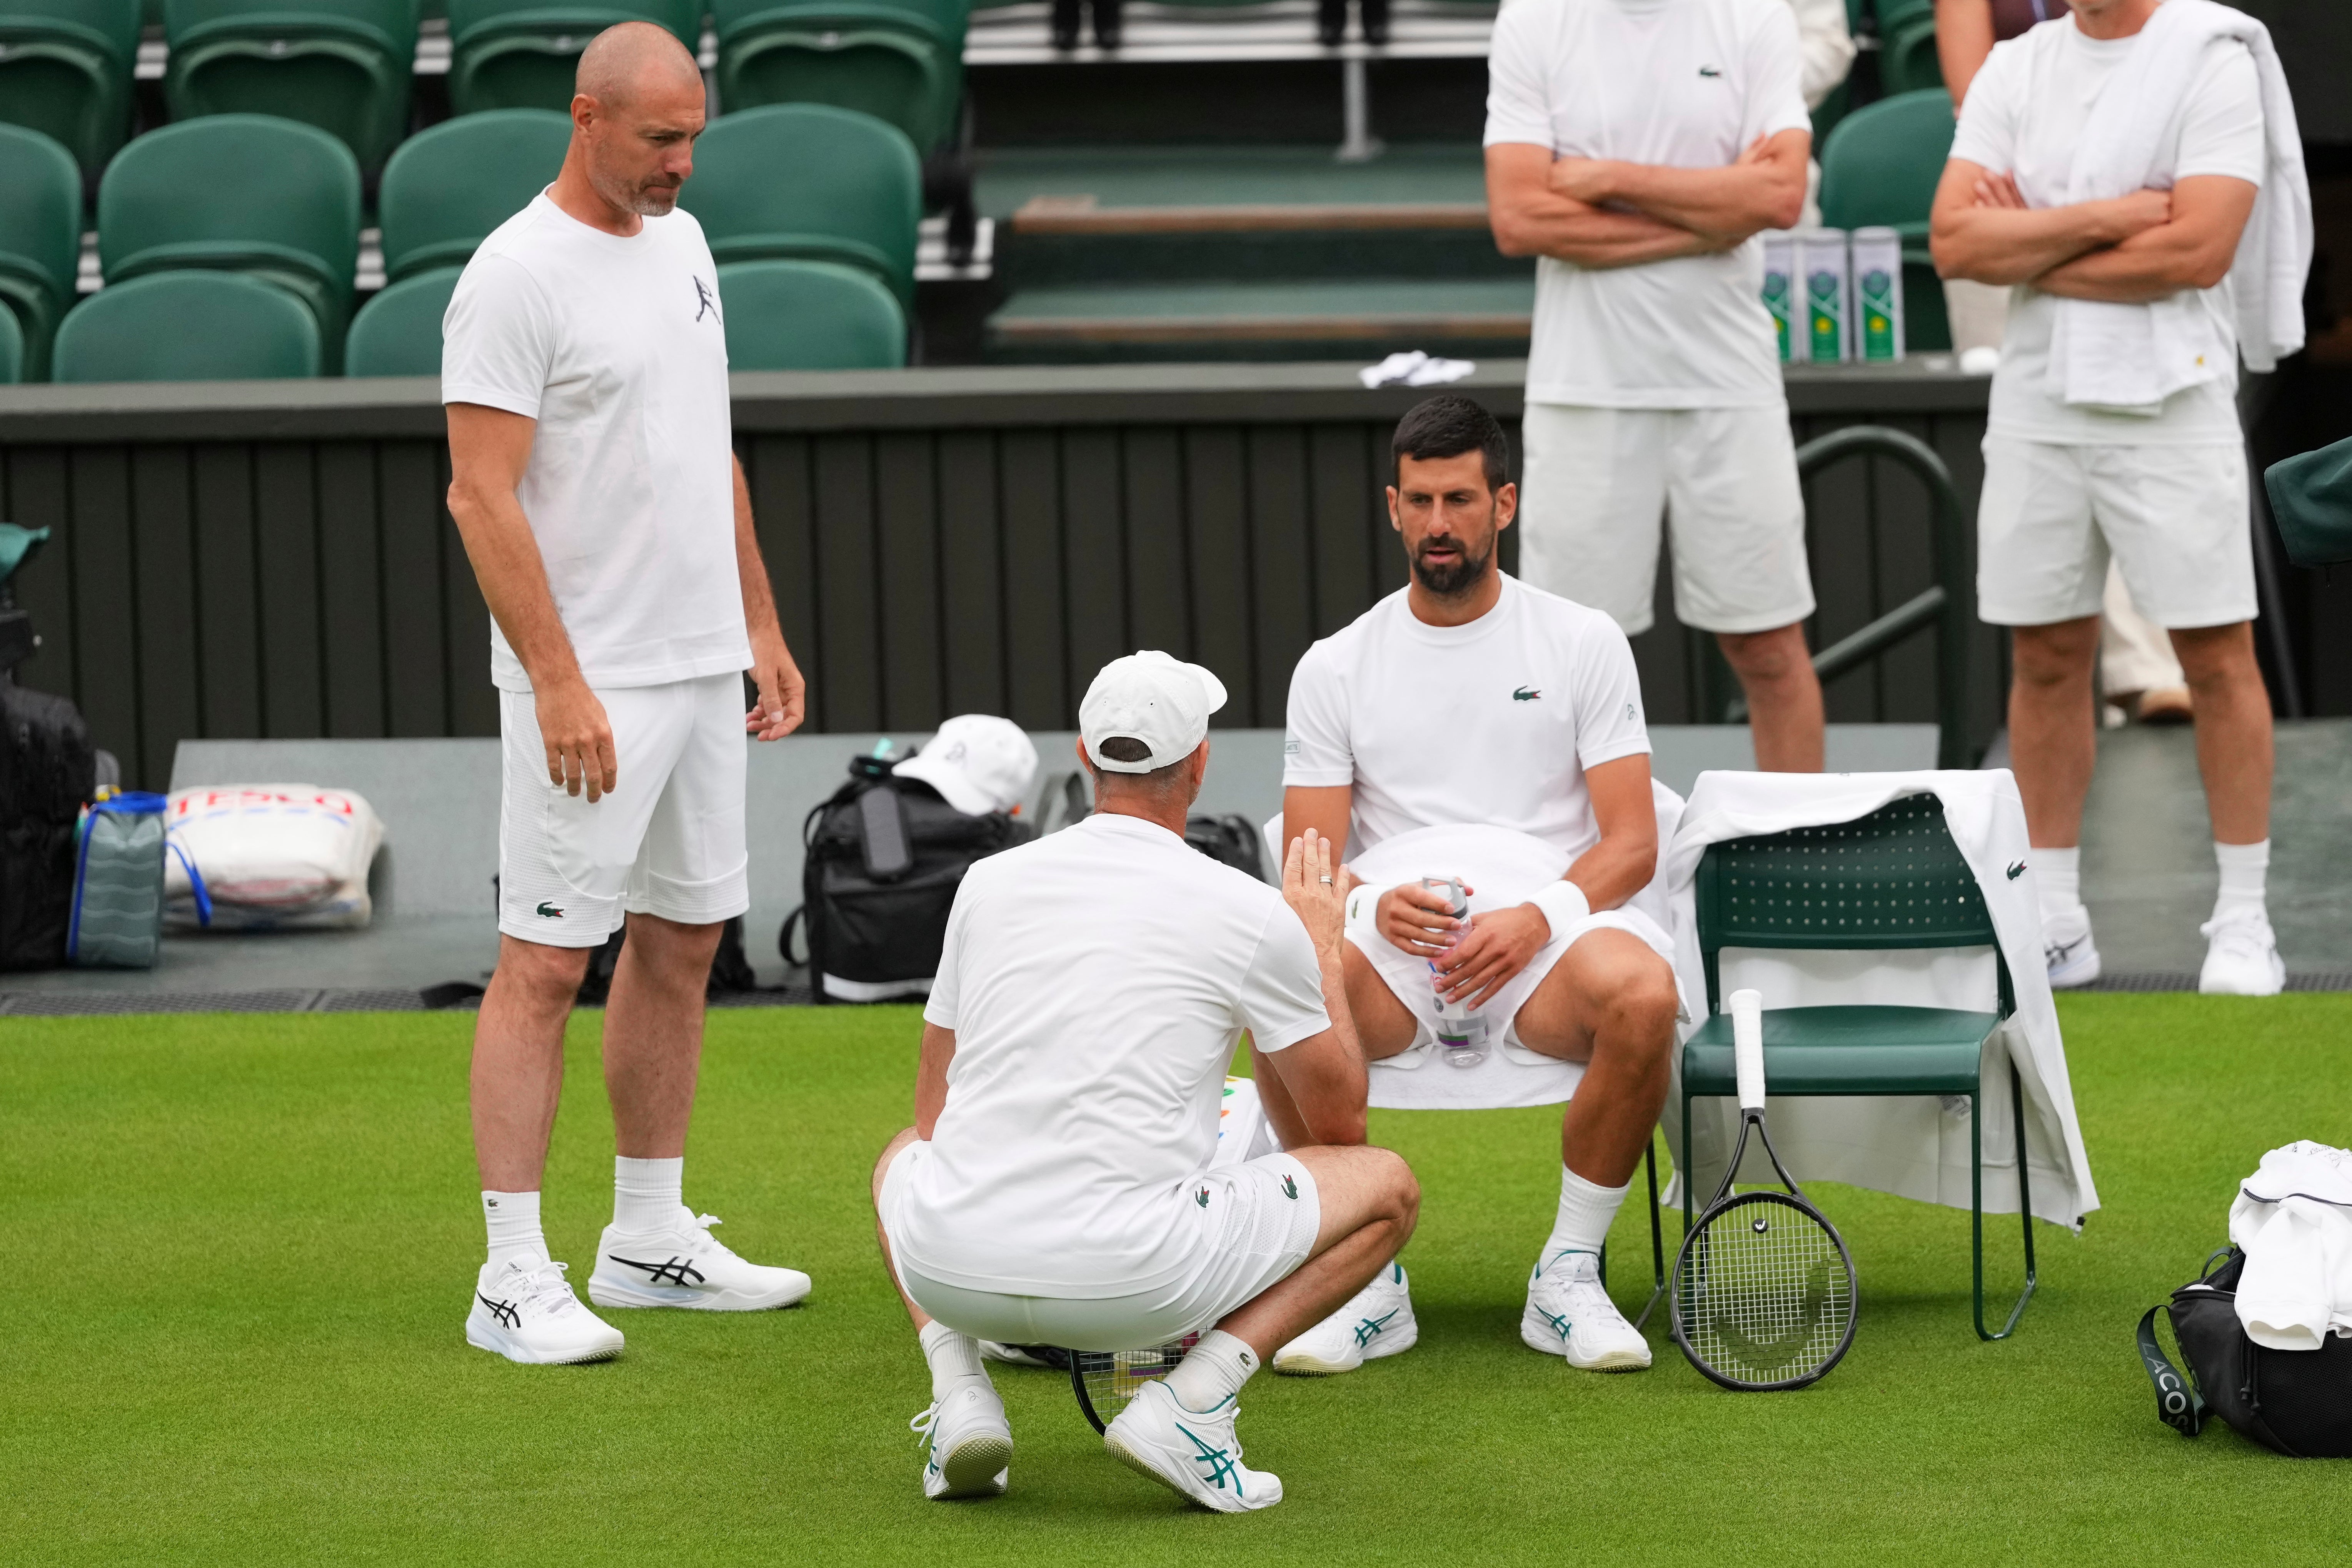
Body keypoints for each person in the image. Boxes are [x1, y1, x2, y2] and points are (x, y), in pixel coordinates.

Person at [442, 22, 814, 1364]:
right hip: (586, 682)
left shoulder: (688, 245)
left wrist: (757, 624)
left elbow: (706, 443)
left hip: (701, 663)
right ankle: (508, 1274)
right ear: (586, 118)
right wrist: (556, 679)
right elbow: (478, 493)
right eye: (660, 139)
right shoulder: (511, 277)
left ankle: (646, 1236)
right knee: (544, 963)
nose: (681, 163)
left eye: (694, 136)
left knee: (685, 938)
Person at [871, 652, 1420, 1512]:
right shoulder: (1249, 909)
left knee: (901, 1152)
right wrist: (1318, 938)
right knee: (1388, 1187)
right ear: (1199, 766)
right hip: (1137, 1283)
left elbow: (931, 1113)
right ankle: (1195, 1403)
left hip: (950, 1270)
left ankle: (960, 1395)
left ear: (1086, 760)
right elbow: (1341, 1124)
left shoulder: (986, 882)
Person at [1274, 395, 1684, 1376]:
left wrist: (1536, 918)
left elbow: (1631, 844)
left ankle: (1569, 1277)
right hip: (1395, 958)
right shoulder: (1335, 665)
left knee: (1646, 993)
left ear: (1505, 504)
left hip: (1548, 950)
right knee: (1283, 980)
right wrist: (1372, 906)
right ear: (1392, 507)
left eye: (1460, 499)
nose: (1438, 524)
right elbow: (1311, 866)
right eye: (1419, 501)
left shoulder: (1581, 640)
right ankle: (1362, 1281)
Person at [1929, 0, 2309, 994]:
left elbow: (2199, 252)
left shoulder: (2214, 57)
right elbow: (1956, 243)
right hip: (2037, 402)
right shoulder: (2017, 70)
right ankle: (2053, 918)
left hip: (2171, 399)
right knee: (2044, 657)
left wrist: (2034, 240)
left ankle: (2242, 920)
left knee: (2216, 656)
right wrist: (2114, 216)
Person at [1485, 0, 1825, 772]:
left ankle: (1798, 868)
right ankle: (1567, 876)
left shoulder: (1755, 16)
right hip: (1584, 392)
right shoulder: (1533, 19)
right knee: (1565, 664)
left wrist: (1606, 179)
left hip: (1729, 385)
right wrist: (1708, 218)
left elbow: (1778, 198)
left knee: (1769, 646)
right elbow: (1518, 217)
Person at [1937, 0, 2195, 727]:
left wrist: (2041, 230)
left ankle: (2142, 669)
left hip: (2039, 213)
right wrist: (2092, 215)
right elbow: (1973, 99)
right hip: (2005, 194)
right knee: (2048, 465)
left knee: (2124, 440)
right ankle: (2108, 679)